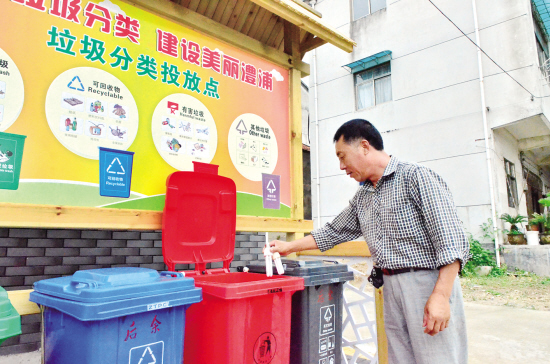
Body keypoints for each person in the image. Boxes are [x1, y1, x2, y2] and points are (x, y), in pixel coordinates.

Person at [267, 119, 470, 364]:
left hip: (426, 283)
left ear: (364, 146)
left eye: (343, 156)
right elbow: (334, 231)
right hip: (391, 286)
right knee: (400, 359)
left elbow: (452, 240)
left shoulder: (416, 177)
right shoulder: (364, 195)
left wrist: (440, 295)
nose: (342, 166)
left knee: (437, 358)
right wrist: (289, 247)